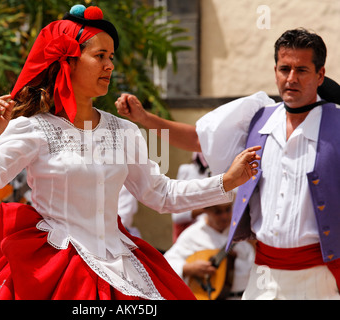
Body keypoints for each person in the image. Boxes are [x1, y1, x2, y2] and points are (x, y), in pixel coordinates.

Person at [0, 5, 260, 300]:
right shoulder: (33, 128)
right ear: (68, 62)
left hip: (119, 260)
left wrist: (228, 181)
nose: (110, 65)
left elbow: (161, 194)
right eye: (99, 56)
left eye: (111, 57)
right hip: (58, 263)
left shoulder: (123, 131)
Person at [116, 28, 340, 300]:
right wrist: (145, 118)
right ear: (275, 70)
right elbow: (199, 139)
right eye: (285, 69)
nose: (291, 78)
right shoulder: (255, 119)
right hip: (263, 277)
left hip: (320, 277)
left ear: (320, 74)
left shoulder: (337, 126)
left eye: (302, 70)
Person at [164, 201, 254, 300]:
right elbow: (166, 264)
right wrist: (189, 268)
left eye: (228, 210)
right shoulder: (193, 234)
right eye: (217, 212)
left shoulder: (241, 234)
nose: (224, 216)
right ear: (206, 210)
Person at [171, 152, 211, 242]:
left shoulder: (222, 171)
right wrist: (207, 208)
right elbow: (177, 215)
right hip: (190, 239)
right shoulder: (187, 170)